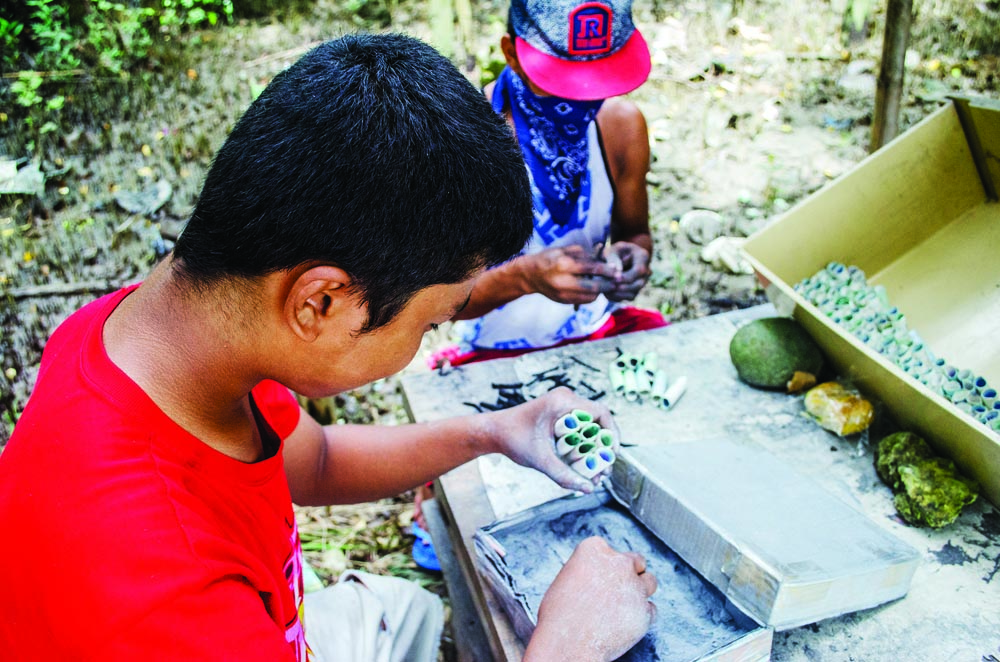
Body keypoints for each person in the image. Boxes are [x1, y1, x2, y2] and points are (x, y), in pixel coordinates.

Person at [0, 34, 656, 662]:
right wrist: (570, 645)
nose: (425, 340)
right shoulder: (168, 595)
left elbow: (314, 462)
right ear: (319, 303)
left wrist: (494, 431)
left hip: (274, 617)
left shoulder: (171, 338)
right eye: (429, 325)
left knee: (410, 613)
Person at [435, 0, 668, 368]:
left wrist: (632, 257)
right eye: (559, 83)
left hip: (593, 331)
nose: (581, 99)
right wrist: (525, 277)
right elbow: (438, 305)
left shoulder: (621, 127)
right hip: (494, 352)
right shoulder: (463, 141)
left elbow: (635, 233)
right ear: (511, 54)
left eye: (597, 83)